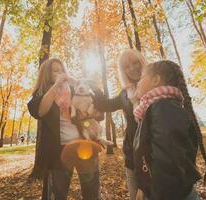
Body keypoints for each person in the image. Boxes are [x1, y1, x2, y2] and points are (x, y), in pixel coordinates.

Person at [132, 60, 206, 200]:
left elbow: (168, 163)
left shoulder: (164, 108)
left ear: (156, 80)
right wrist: (144, 187)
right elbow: (148, 154)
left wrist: (154, 193)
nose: (138, 81)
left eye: (142, 77)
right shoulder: (156, 108)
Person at [27, 58, 100, 200]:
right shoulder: (41, 94)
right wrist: (55, 86)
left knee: (92, 193)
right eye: (55, 71)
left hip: (84, 145)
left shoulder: (74, 90)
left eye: (61, 70)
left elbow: (95, 103)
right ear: (46, 74)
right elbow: (40, 111)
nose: (60, 73)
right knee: (57, 194)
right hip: (58, 152)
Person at [92, 49, 148, 200]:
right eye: (127, 66)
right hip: (132, 155)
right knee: (134, 195)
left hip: (154, 155)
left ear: (142, 61)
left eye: (135, 62)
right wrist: (94, 86)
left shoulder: (156, 84)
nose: (132, 68)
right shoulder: (125, 94)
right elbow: (105, 105)